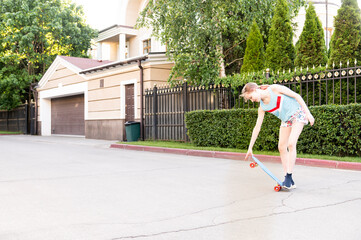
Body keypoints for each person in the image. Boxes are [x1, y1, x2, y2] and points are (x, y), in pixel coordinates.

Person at [242, 82, 314, 189]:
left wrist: (308, 113)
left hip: (298, 114)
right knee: (281, 147)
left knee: (291, 143)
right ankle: (287, 178)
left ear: (254, 90)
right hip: (286, 120)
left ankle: (289, 177)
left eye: (251, 97)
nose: (252, 101)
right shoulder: (262, 107)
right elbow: (257, 127)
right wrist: (250, 147)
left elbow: (296, 96)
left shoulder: (274, 89)